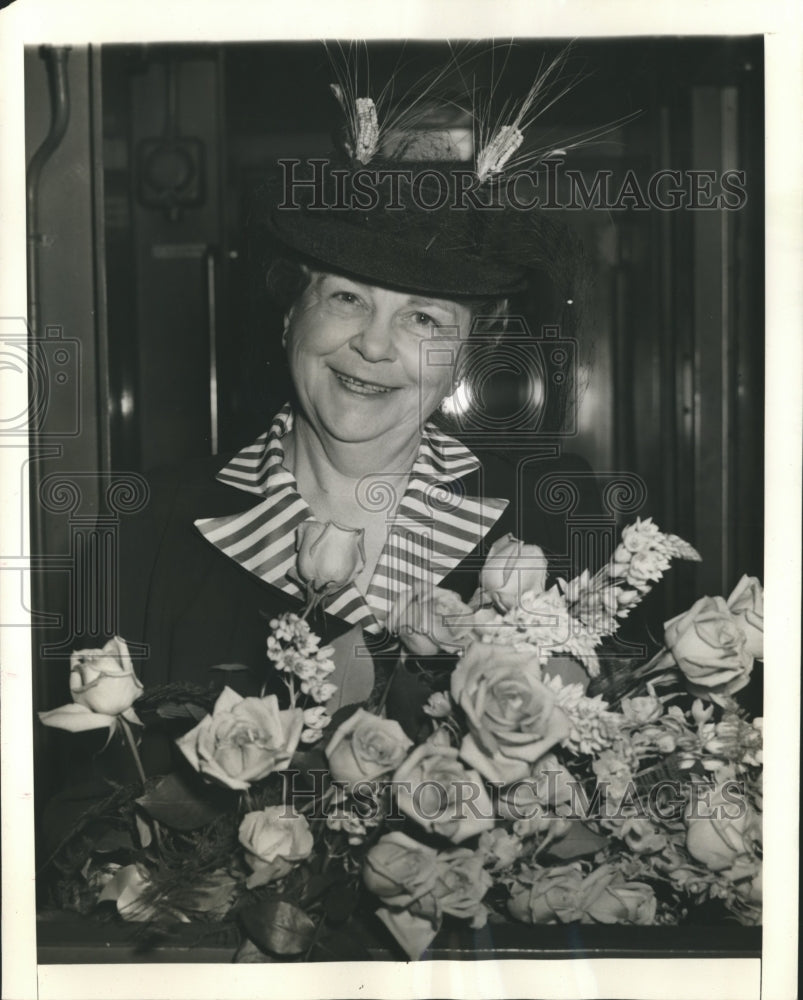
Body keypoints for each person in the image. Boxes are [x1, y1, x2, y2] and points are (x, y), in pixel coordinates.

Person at [117, 85, 604, 729]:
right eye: (347, 298)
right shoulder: (151, 523)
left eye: (424, 316)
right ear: (291, 311)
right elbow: (92, 804)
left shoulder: (553, 516)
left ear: (467, 352)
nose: (374, 345)